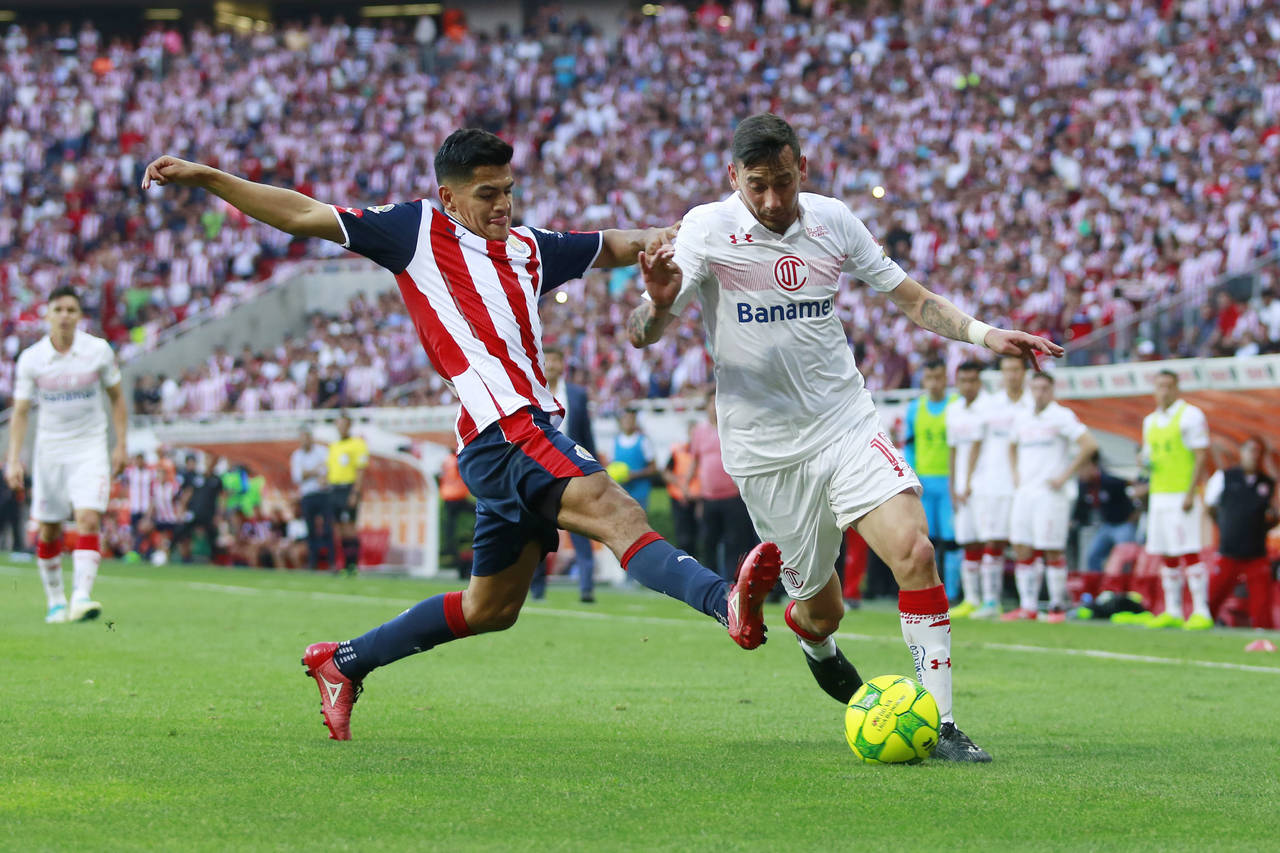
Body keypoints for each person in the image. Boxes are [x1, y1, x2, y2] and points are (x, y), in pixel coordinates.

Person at [143, 128, 780, 742]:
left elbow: (617, 243)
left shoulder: (531, 247)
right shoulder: (415, 231)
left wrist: (701, 232)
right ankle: (723, 600)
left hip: (510, 436)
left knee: (490, 609)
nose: (502, 204)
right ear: (449, 197)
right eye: (486, 194)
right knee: (617, 512)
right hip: (505, 428)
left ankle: (342, 662)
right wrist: (208, 177)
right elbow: (303, 213)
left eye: (508, 189)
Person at [629, 113, 1061, 761]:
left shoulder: (833, 221)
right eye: (757, 186)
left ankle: (942, 723)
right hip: (766, 451)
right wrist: (659, 305)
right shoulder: (706, 229)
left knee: (914, 550)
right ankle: (816, 640)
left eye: (783, 181)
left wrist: (984, 334)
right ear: (733, 179)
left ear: (802, 167)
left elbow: (911, 298)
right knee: (819, 609)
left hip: (844, 423)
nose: (773, 199)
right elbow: (642, 332)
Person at [5, 286, 127, 624]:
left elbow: (117, 398)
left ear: (79, 316)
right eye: (58, 309)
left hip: (89, 447)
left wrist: (121, 445)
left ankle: (81, 597)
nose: (64, 316)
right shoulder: (32, 359)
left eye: (71, 310)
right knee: (49, 528)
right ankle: (56, 600)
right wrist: (14, 459)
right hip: (50, 451)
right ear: (47, 314)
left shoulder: (98, 352)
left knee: (89, 517)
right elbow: (21, 412)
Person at [1003, 372, 1098, 622]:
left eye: (1044, 388)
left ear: (1052, 390)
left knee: (1052, 549)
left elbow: (1089, 444)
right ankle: (1028, 607)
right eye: (1034, 388)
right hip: (1025, 492)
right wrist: (1014, 473)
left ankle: (1057, 607)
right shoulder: (1022, 417)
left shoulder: (1061, 416)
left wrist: (1065, 475)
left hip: (1051, 494)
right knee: (1021, 546)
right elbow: (1011, 445)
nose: (1039, 393)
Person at [1140, 370, 1211, 629]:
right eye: (1160, 386)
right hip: (1159, 495)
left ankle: (1202, 611)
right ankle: (1173, 610)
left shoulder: (1190, 415)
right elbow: (1149, 457)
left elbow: (1201, 455)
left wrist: (1192, 492)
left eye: (1169, 386)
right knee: (1166, 553)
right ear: (1154, 389)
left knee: (1188, 551)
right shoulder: (1150, 421)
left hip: (1182, 494)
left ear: (1177, 388)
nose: (1164, 391)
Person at [967, 355, 1034, 618]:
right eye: (1006, 370)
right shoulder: (990, 406)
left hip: (1025, 484)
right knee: (992, 541)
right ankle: (991, 601)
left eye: (1016, 370)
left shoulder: (1035, 404)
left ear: (1024, 372)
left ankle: (1028, 604)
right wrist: (969, 479)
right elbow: (976, 444)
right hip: (993, 483)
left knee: (1023, 543)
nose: (1011, 375)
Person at [543, 346, 599, 602]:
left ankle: (586, 587)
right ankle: (535, 588)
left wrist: (594, 466)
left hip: (573, 469)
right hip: (541, 469)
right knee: (539, 530)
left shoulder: (577, 394)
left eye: (556, 360)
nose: (552, 365)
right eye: (548, 361)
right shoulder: (533, 392)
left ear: (562, 364)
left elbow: (586, 434)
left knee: (581, 527)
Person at [687, 389, 759, 581]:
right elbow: (694, 460)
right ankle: (710, 584)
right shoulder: (699, 431)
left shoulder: (734, 428)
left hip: (733, 496)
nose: (714, 406)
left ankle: (735, 584)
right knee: (708, 543)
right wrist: (686, 484)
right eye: (711, 402)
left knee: (736, 544)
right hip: (709, 497)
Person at [1205, 436, 1275, 629]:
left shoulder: (1267, 483)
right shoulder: (1225, 477)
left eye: (1258, 452)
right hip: (1229, 549)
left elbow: (1273, 513)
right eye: (1251, 451)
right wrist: (1225, 525)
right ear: (1241, 452)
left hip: (1256, 552)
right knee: (1215, 593)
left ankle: (1263, 634)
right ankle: (1204, 622)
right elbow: (1210, 506)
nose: (1254, 456)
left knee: (1262, 598)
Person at [902, 359, 958, 597]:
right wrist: (912, 476)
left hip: (950, 484)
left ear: (946, 378)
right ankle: (929, 590)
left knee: (953, 541)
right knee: (927, 541)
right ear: (924, 380)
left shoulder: (956, 405)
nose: (934, 383)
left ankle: (954, 593)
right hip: (925, 483)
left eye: (939, 378)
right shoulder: (915, 408)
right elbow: (910, 445)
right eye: (930, 378)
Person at [946, 361, 988, 617]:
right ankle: (972, 598)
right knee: (968, 541)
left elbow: (979, 446)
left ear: (980, 382)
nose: (968, 385)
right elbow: (953, 450)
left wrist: (970, 482)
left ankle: (989, 599)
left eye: (973, 380)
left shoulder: (989, 408)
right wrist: (954, 485)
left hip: (985, 484)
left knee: (988, 539)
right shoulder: (954, 410)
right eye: (963, 380)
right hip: (961, 487)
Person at [1073, 451, 1138, 574]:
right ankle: (1096, 587)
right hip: (1106, 525)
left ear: (1092, 467)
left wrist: (1132, 517)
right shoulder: (1084, 485)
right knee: (1093, 555)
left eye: (1083, 468)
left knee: (1126, 557)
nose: (1080, 473)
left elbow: (1130, 488)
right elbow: (1081, 505)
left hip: (1123, 524)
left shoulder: (1109, 481)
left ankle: (1125, 589)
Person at [326, 413, 368, 575]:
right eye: (338, 424)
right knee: (339, 529)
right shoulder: (334, 446)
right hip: (335, 489)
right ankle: (343, 564)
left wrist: (355, 493)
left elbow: (360, 470)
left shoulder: (357, 444)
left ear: (349, 425)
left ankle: (352, 565)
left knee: (350, 528)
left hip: (348, 489)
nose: (340, 427)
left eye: (343, 424)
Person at [290, 426, 331, 569]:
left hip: (323, 493)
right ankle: (313, 562)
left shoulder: (322, 451)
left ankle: (331, 562)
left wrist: (308, 472)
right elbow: (298, 477)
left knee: (327, 528)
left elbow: (326, 472)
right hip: (307, 495)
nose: (304, 440)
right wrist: (315, 471)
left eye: (307, 437)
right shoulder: (296, 455)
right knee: (310, 529)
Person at [663, 424, 700, 556]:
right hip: (679, 500)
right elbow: (667, 473)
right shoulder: (678, 451)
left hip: (699, 500)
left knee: (700, 538)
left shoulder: (703, 452)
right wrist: (681, 485)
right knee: (684, 539)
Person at [612, 408, 657, 512]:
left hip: (640, 493)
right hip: (620, 492)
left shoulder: (643, 441)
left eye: (631, 419)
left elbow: (653, 467)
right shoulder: (615, 441)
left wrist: (634, 475)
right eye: (625, 419)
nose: (628, 422)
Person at [438, 449, 474, 578]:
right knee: (481, 511)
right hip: (457, 496)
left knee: (450, 527)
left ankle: (449, 547)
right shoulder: (456, 461)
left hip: (447, 496)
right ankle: (453, 547)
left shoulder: (446, 460)